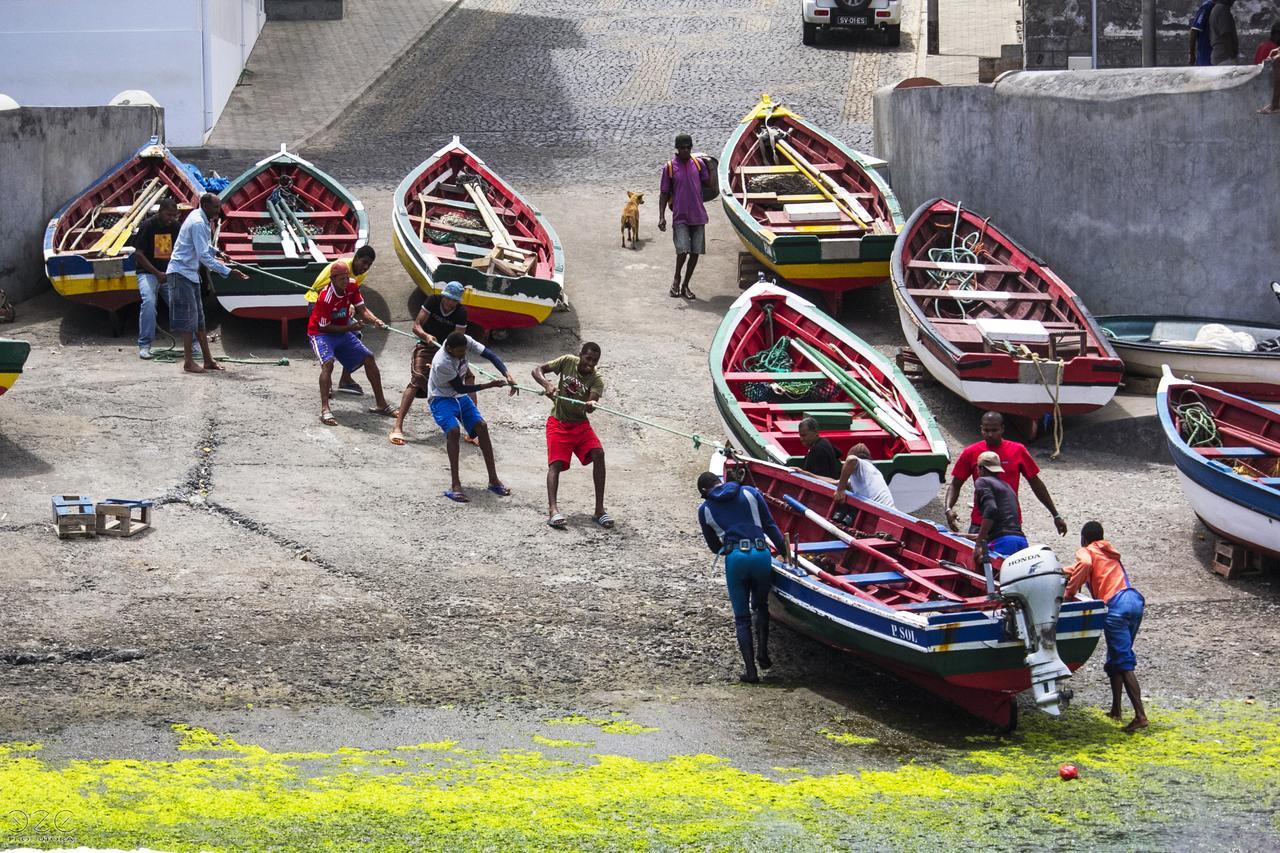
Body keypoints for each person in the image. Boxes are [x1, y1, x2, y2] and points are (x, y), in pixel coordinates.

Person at [697, 471, 787, 684]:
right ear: (720, 482)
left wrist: (728, 547)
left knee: (741, 617)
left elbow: (713, 547)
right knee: (761, 606)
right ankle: (763, 654)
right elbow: (770, 525)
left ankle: (751, 672)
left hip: (736, 558)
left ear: (704, 490)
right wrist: (785, 551)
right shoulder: (750, 493)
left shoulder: (705, 509)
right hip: (761, 554)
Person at [1064, 521, 1148, 733]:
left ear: (1084, 538)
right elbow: (1077, 568)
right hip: (1134, 600)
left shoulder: (1087, 551)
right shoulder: (1107, 551)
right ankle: (1116, 710)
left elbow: (1083, 565)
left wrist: (1069, 592)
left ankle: (1140, 716)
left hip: (1116, 606)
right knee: (1116, 659)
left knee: (1123, 660)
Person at [944, 411, 1067, 537]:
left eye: (994, 430)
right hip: (979, 522)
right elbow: (955, 484)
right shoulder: (970, 452)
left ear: (1002, 429)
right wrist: (948, 509)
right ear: (981, 429)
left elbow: (1036, 484)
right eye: (986, 430)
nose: (990, 434)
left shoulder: (1018, 450)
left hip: (1009, 523)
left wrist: (1055, 515)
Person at [428, 331, 518, 502]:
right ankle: (455, 485)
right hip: (441, 397)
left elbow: (489, 354)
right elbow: (461, 388)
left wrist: (507, 374)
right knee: (453, 431)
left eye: (465, 351)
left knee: (482, 427)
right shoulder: (442, 363)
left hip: (458, 396)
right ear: (449, 348)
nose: (464, 354)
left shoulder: (464, 341)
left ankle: (493, 480)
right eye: (460, 352)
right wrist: (489, 385)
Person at [166, 193, 249, 373]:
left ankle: (208, 360)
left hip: (191, 274)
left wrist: (218, 252)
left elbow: (203, 246)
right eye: (215, 207)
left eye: (219, 207)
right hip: (181, 274)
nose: (218, 211)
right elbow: (203, 256)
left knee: (200, 320)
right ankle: (188, 362)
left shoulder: (201, 219)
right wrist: (228, 271)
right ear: (204, 205)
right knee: (189, 320)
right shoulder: (197, 223)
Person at [532, 342, 610, 530]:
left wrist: (591, 403)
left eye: (594, 361)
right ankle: (553, 510)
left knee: (599, 454)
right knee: (556, 464)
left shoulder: (597, 379)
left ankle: (599, 510)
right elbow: (537, 370)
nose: (590, 364)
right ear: (580, 355)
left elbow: (592, 403)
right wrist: (547, 383)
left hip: (580, 424)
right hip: (558, 422)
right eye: (588, 358)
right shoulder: (567, 361)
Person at [307, 260, 394, 426]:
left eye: (347, 278)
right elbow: (324, 327)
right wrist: (350, 327)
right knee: (328, 363)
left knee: (369, 357)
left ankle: (381, 404)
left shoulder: (352, 286)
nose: (346, 282)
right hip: (321, 333)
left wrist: (375, 320)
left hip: (342, 328)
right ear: (332, 279)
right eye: (342, 279)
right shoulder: (326, 297)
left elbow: (362, 309)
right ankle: (325, 409)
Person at [389, 280, 471, 446]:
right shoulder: (432, 301)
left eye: (453, 300)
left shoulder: (461, 313)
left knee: (469, 377)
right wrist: (426, 336)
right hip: (425, 346)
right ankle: (397, 426)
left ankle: (472, 430)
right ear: (443, 296)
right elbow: (416, 326)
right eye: (447, 298)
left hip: (447, 352)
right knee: (417, 378)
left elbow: (458, 342)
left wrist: (443, 362)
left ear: (458, 301)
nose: (449, 303)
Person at [309, 246, 377, 396]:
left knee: (356, 335)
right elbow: (326, 292)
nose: (365, 267)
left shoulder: (360, 274)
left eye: (369, 265)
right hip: (318, 301)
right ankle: (328, 383)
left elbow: (350, 293)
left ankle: (345, 378)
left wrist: (354, 306)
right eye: (364, 262)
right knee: (327, 343)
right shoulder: (341, 268)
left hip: (337, 305)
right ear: (356, 258)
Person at [657, 133, 715, 300]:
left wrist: (711, 167)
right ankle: (676, 279)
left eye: (688, 148)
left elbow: (710, 185)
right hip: (680, 216)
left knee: (695, 252)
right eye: (682, 148)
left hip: (698, 215)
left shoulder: (698, 164)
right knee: (682, 250)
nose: (685, 150)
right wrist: (661, 217)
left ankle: (685, 285)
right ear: (677, 149)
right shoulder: (669, 167)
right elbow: (663, 194)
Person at [129, 197, 181, 359]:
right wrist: (157, 273)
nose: (171, 219)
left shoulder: (176, 227)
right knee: (149, 302)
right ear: (160, 212)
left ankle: (192, 342)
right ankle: (145, 344)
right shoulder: (147, 226)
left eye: (174, 215)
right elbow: (138, 254)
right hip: (148, 273)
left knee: (181, 302)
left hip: (167, 273)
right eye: (168, 215)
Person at [971, 451, 1029, 562]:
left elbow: (991, 509)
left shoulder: (982, 481)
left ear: (981, 469)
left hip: (1003, 542)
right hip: (1021, 541)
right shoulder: (1007, 486)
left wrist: (978, 544)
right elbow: (1005, 521)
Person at [831, 443, 895, 513]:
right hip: (889, 511)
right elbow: (836, 482)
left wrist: (840, 490)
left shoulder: (862, 464)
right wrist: (816, 477)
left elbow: (851, 459)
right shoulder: (867, 472)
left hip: (883, 512)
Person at [1210, 0, 1238, 66]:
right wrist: (1232, 54)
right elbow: (1226, 34)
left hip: (1219, 56)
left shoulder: (1216, 9)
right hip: (1224, 57)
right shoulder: (1223, 9)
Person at [1189, 0, 1215, 65]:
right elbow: (1194, 30)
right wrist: (1192, 54)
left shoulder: (1219, 7)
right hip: (1205, 57)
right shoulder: (1207, 6)